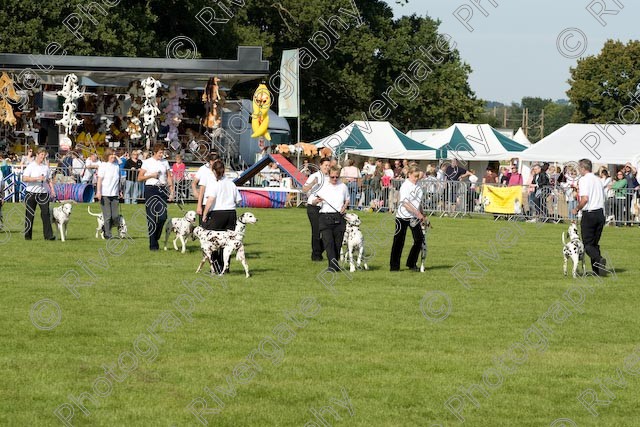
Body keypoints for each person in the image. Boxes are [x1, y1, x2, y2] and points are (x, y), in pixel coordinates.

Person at [203, 160, 242, 273]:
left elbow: (210, 200)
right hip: (231, 213)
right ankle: (226, 268)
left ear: (214, 171)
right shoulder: (231, 183)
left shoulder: (215, 184)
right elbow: (238, 200)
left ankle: (215, 268)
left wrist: (205, 214)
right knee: (228, 242)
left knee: (214, 241)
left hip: (217, 213)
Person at [572, 159, 606, 276]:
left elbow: (585, 198)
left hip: (589, 213)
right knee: (595, 243)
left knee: (587, 244)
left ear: (582, 168)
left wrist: (577, 208)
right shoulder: (598, 179)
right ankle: (597, 270)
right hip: (600, 213)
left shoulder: (584, 180)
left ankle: (599, 259)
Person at [312, 165, 349, 272]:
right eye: (332, 177)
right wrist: (317, 201)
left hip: (339, 218)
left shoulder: (343, 186)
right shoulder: (322, 187)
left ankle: (335, 264)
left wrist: (344, 207)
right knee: (329, 243)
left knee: (337, 244)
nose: (334, 179)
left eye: (337, 177)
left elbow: (347, 199)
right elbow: (313, 201)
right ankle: (332, 267)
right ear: (328, 175)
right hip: (325, 217)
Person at [138, 143, 174, 251]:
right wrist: (151, 175)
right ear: (155, 152)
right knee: (151, 218)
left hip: (162, 189)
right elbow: (139, 178)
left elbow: (169, 177)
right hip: (151, 189)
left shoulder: (165, 162)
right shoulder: (147, 162)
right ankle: (153, 244)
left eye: (163, 153)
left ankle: (156, 235)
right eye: (160, 153)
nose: (162, 155)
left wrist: (172, 191)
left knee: (163, 216)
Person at [390, 166, 425, 272]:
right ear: (409, 175)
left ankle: (411, 263)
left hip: (414, 217)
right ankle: (394, 266)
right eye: (415, 176)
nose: (417, 178)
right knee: (399, 242)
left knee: (419, 239)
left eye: (418, 176)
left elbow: (417, 201)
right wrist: (418, 213)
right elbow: (405, 203)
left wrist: (422, 213)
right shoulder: (405, 186)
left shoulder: (418, 185)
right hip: (402, 217)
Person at [22, 148, 56, 240]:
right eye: (41, 155)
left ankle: (49, 236)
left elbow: (49, 179)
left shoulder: (46, 167)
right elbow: (24, 178)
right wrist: (37, 178)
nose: (43, 157)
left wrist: (52, 190)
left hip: (43, 193)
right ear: (37, 154)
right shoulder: (31, 166)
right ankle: (28, 236)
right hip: (31, 193)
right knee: (30, 214)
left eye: (44, 155)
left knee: (46, 214)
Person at [303, 157, 331, 261]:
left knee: (329, 231)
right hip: (314, 207)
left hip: (326, 208)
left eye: (329, 166)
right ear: (320, 166)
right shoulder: (314, 176)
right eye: (325, 166)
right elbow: (304, 189)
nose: (327, 168)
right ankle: (316, 255)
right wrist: (313, 183)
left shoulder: (330, 178)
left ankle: (318, 251)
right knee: (317, 231)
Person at [96, 149, 122, 239]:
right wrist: (98, 192)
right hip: (105, 194)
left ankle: (105, 228)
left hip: (114, 194)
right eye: (111, 155)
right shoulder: (103, 165)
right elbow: (99, 179)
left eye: (115, 155)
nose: (113, 156)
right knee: (108, 216)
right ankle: (108, 234)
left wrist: (120, 190)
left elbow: (118, 180)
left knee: (115, 216)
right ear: (107, 155)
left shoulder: (116, 166)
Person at [193, 152, 218, 225]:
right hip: (206, 202)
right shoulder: (204, 170)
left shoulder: (220, 172)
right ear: (211, 161)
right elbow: (200, 189)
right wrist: (199, 205)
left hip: (217, 205)